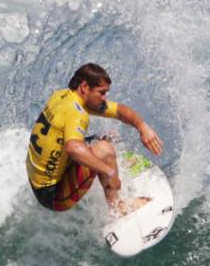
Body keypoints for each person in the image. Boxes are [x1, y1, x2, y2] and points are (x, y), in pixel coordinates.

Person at [26, 63, 163, 214]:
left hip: (37, 177)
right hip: (51, 193)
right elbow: (73, 148)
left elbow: (119, 111)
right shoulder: (77, 113)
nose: (105, 98)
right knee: (104, 149)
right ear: (84, 87)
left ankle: (108, 169)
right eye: (102, 93)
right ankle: (118, 208)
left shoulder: (63, 95)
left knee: (109, 137)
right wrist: (110, 172)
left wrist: (142, 127)